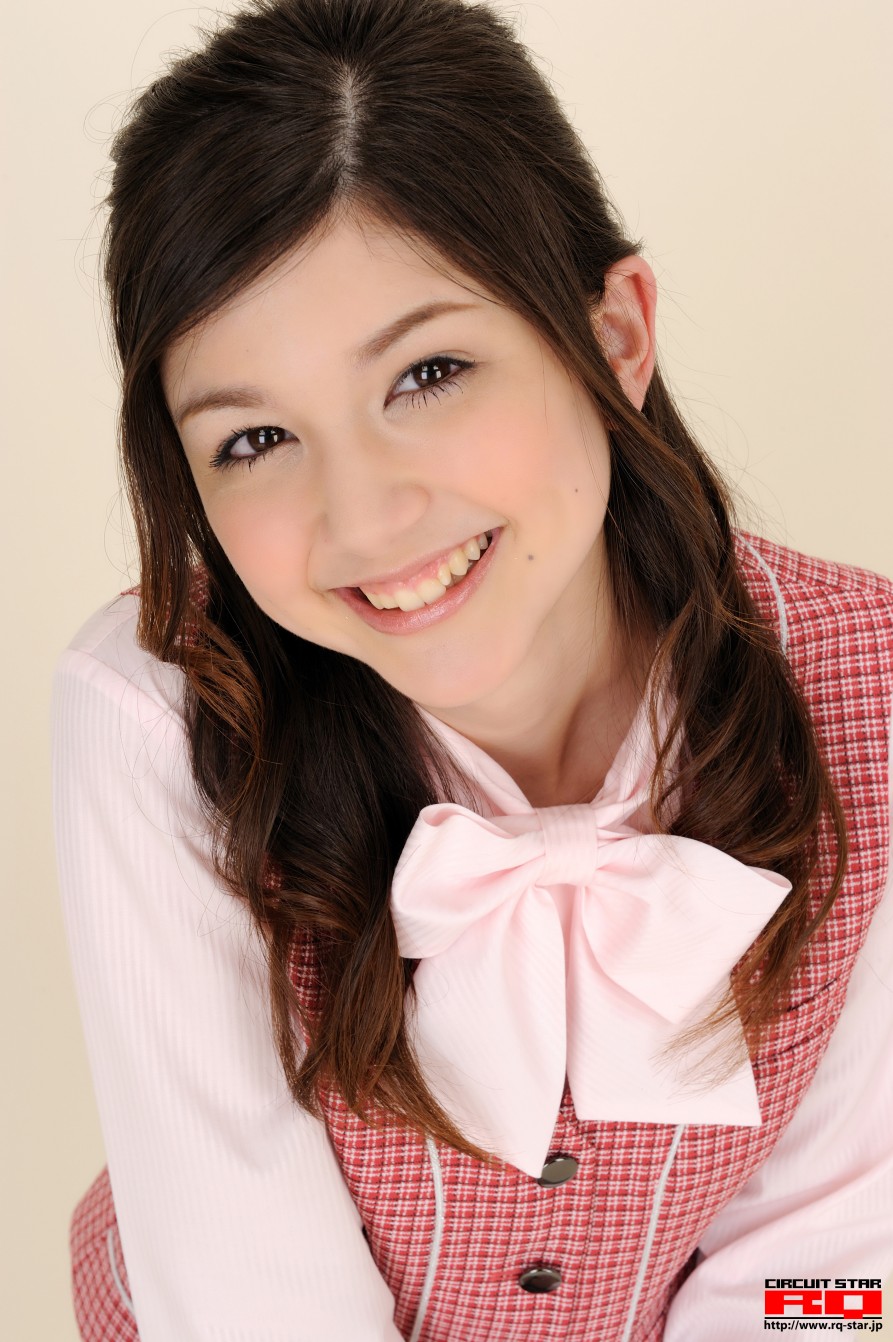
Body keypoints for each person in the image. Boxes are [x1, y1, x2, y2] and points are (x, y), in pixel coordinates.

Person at [52, 0, 893, 1338]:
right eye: (255, 440)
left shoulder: (871, 694)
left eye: (428, 372)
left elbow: (829, 1269)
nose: (367, 518)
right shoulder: (160, 716)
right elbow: (249, 1294)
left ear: (613, 336)